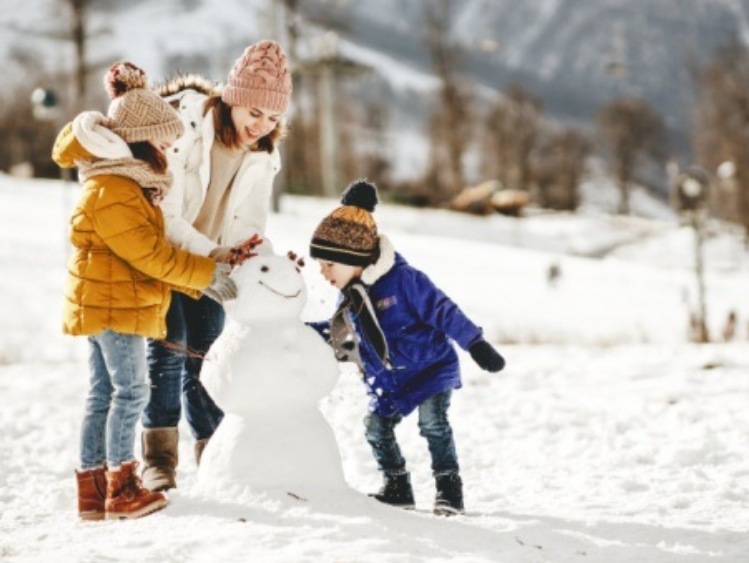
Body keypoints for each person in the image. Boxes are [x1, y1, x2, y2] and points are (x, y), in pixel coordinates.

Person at [52, 61, 237, 520]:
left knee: (102, 394)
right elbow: (150, 254)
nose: (168, 150)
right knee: (131, 392)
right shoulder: (115, 188)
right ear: (138, 139)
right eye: (161, 141)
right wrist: (205, 273)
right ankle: (122, 487)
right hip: (115, 305)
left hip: (110, 302)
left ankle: (93, 495)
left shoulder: (125, 184)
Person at [139, 39, 293, 492]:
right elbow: (165, 213)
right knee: (169, 351)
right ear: (233, 99)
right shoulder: (185, 128)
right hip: (165, 256)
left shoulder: (263, 154)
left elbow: (250, 224)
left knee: (207, 358)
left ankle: (214, 453)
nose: (261, 125)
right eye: (254, 112)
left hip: (212, 265)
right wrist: (213, 254)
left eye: (272, 118)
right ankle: (159, 460)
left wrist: (265, 263)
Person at [308, 180, 506, 516]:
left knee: (433, 425)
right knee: (376, 428)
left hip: (430, 370)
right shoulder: (351, 295)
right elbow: (340, 335)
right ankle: (398, 487)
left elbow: (444, 310)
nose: (323, 273)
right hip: (389, 380)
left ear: (354, 257)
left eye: (329, 264)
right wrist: (295, 335)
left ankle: (448, 489)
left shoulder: (404, 281)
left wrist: (476, 343)